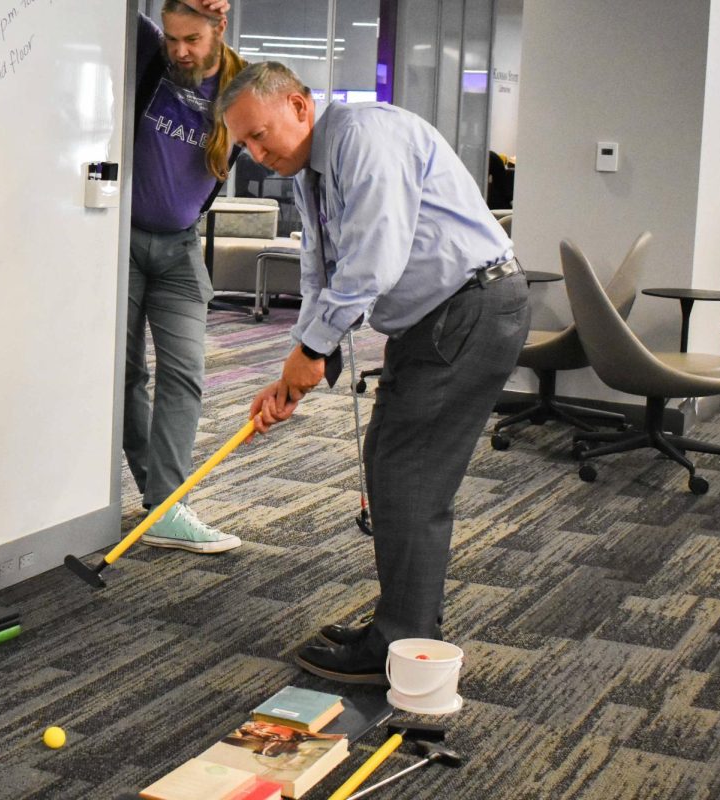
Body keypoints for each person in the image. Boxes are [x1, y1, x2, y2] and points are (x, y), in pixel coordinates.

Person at [218, 62, 530, 682]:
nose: (254, 153)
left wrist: (311, 352)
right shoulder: (313, 170)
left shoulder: (363, 136)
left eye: (259, 134)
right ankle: (403, 624)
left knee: (407, 472)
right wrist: (300, 363)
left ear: (301, 107)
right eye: (244, 145)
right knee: (391, 458)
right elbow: (321, 272)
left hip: (468, 307)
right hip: (439, 317)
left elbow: (372, 261)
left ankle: (403, 643)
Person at [125, 0, 244, 553]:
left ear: (219, 28)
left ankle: (168, 505)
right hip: (120, 243)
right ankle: (162, 501)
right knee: (125, 375)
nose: (180, 51)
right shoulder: (153, 53)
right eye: (173, 37)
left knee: (185, 372)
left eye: (192, 39)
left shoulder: (243, 87)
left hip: (179, 248)